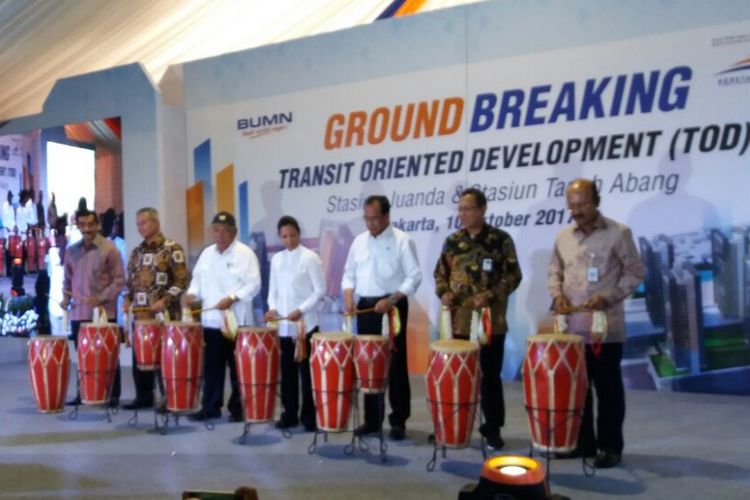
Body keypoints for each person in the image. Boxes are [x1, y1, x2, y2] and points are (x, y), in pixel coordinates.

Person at [548, 178, 645, 468]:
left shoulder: (618, 233)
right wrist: (558, 297)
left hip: (606, 330)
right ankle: (583, 443)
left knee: (608, 391)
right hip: (572, 331)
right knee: (578, 391)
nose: (576, 210)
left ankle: (611, 447)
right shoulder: (563, 237)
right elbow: (554, 273)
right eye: (571, 205)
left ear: (596, 201)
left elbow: (635, 273)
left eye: (582, 204)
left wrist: (610, 296)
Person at [434, 187, 522, 450]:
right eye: (460, 209)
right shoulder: (453, 241)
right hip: (458, 322)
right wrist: (444, 293)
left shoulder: (500, 240)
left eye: (468, 208)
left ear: (483, 209)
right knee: (458, 378)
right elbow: (440, 274)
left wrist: (492, 295)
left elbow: (514, 276)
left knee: (490, 377)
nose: (462, 213)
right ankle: (453, 426)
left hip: (489, 322)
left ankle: (492, 429)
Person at [342, 195, 422, 440]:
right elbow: (349, 274)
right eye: (366, 218)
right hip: (366, 307)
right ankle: (372, 421)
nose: (370, 223)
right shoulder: (358, 242)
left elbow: (414, 277)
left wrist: (393, 298)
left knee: (395, 365)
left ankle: (398, 421)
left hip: (392, 306)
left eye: (375, 218)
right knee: (368, 364)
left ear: (386, 216)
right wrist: (347, 295)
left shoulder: (402, 241)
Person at [181, 211, 261, 422]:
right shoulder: (207, 254)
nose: (220, 235)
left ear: (234, 232)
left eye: (225, 231)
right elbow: (197, 280)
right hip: (211, 322)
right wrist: (191, 294)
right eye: (216, 230)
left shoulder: (245, 254)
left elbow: (254, 284)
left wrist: (234, 297)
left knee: (237, 367)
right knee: (212, 367)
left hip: (236, 320)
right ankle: (210, 407)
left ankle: (238, 409)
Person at [122, 207, 189, 410]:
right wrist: (127, 299)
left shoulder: (172, 249)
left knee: (165, 358)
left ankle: (169, 398)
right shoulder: (136, 252)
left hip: (164, 315)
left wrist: (166, 299)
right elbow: (130, 282)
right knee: (140, 358)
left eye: (144, 223)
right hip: (141, 317)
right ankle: (143, 397)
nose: (140, 227)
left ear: (156, 223)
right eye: (138, 224)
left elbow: (182, 280)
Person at [264, 215, 325, 432]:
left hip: (306, 325)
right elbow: (273, 290)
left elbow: (319, 291)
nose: (288, 240)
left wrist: (301, 310)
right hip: (284, 326)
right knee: (287, 374)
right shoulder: (277, 259)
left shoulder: (310, 258)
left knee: (307, 376)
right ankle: (289, 414)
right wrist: (272, 307)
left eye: (292, 235)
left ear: (299, 234)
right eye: (284, 236)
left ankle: (309, 417)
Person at [61, 208, 126, 407]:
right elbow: (67, 280)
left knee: (109, 356)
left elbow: (119, 280)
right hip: (79, 313)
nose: (87, 229)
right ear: (77, 226)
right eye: (82, 225)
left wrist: (101, 298)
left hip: (104, 313)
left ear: (97, 224)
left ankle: (112, 396)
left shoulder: (110, 248)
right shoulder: (71, 251)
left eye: (91, 224)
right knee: (82, 357)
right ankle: (84, 394)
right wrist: (65, 298)